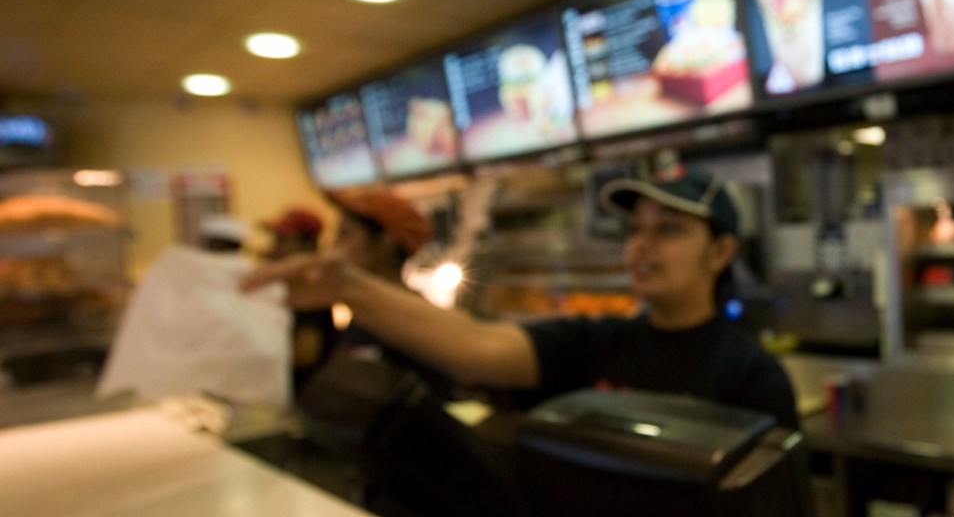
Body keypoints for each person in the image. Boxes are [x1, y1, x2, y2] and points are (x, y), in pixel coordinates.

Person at [242, 169, 798, 429]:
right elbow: (475, 345)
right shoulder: (594, 342)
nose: (642, 247)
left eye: (669, 230)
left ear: (721, 252)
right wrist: (348, 287)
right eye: (636, 229)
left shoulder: (751, 376)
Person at [319, 186, 456, 400]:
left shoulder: (414, 321)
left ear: (386, 243)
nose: (334, 246)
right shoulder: (367, 312)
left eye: (345, 234)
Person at [260, 205, 335, 395]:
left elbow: (304, 355)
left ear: (307, 246)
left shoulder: (311, 288)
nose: (274, 247)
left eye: (282, 240)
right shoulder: (289, 286)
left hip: (305, 398)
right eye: (275, 239)